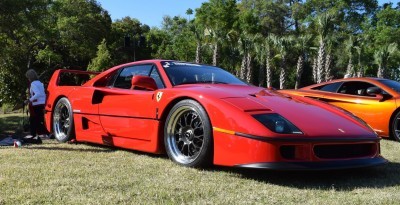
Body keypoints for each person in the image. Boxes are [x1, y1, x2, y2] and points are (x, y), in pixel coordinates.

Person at [25, 69, 50, 143]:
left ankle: (33, 135)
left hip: (36, 104)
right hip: (42, 103)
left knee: (33, 120)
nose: (28, 79)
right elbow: (42, 94)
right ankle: (46, 133)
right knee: (40, 120)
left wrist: (29, 100)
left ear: (30, 77)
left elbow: (38, 94)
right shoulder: (40, 83)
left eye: (28, 78)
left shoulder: (33, 84)